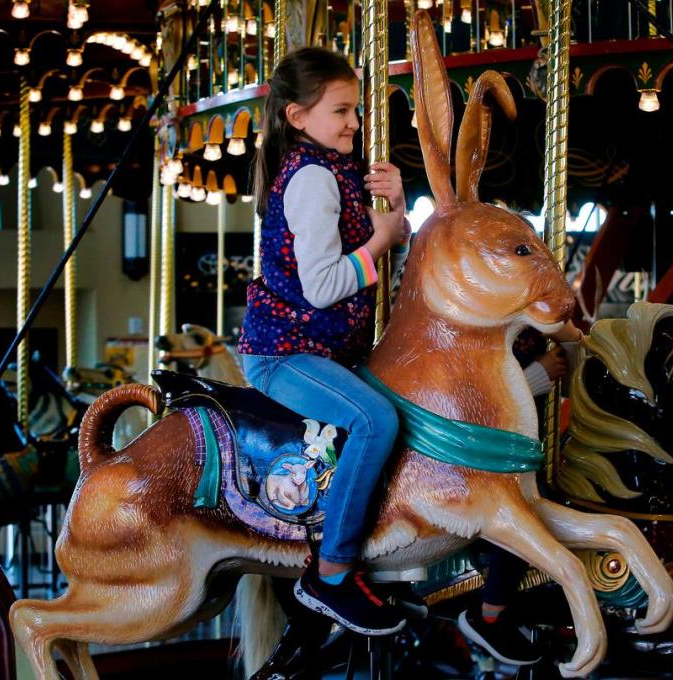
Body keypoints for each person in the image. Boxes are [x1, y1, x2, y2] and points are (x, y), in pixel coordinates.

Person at [236, 46, 411, 636]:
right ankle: (331, 572)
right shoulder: (312, 177)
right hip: (283, 352)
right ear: (296, 116)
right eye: (341, 110)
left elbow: (370, 257)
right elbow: (322, 287)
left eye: (355, 111)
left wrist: (395, 210)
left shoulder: (331, 170)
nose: (354, 123)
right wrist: (383, 239)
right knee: (375, 422)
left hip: (325, 349)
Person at [457, 320, 583, 666]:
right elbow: (474, 397)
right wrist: (538, 376)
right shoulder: (480, 317)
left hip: (519, 440)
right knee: (520, 506)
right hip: (477, 443)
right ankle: (490, 611)